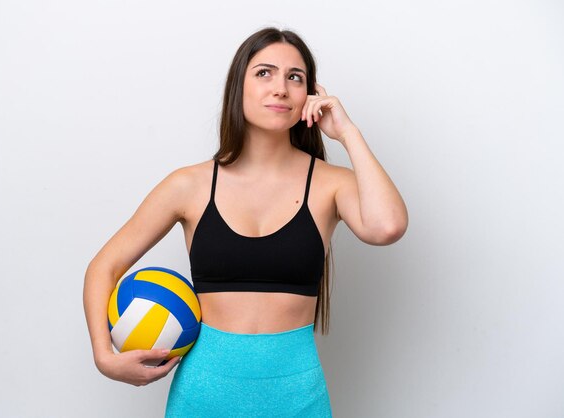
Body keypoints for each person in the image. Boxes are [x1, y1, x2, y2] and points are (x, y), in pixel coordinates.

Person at [83, 27, 408, 417]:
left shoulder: (329, 184)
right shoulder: (189, 185)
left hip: (298, 399)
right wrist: (104, 356)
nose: (281, 88)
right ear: (238, 86)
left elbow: (387, 226)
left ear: (310, 94)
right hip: (202, 398)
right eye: (264, 73)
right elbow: (105, 266)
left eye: (295, 77)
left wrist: (347, 133)